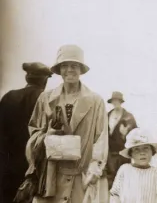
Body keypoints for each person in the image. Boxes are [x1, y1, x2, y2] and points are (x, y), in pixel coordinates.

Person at [24, 44, 109, 203]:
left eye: (74, 65)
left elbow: (101, 138)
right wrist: (47, 136)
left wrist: (94, 170)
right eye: (65, 65)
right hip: (50, 178)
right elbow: (33, 133)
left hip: (81, 178)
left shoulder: (95, 101)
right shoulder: (45, 98)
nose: (70, 69)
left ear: (81, 69)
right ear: (59, 70)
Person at [0, 62, 52, 203]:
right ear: (45, 80)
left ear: (27, 78)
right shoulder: (46, 99)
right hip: (33, 168)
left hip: (6, 165)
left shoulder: (8, 97)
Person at [110, 128, 157, 203]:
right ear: (131, 153)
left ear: (152, 152)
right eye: (137, 149)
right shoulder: (124, 170)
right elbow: (114, 193)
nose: (142, 153)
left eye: (146, 148)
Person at [107, 91, 137, 189]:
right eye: (113, 101)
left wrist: (126, 133)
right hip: (109, 155)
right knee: (110, 183)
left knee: (124, 181)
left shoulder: (128, 117)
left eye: (117, 100)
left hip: (123, 154)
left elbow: (136, 134)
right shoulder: (107, 116)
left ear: (121, 101)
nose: (115, 103)